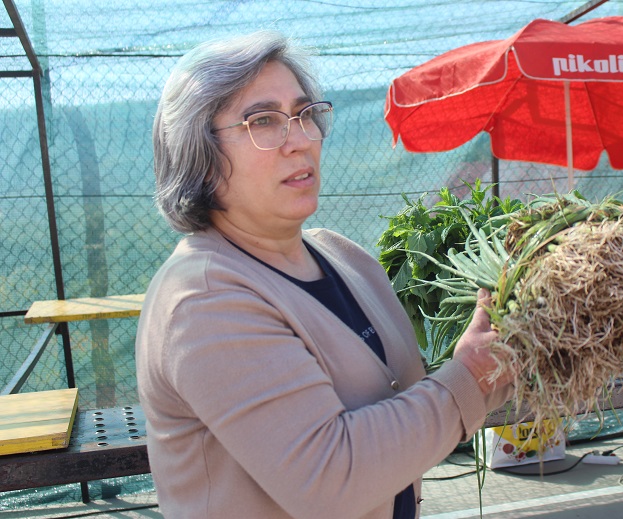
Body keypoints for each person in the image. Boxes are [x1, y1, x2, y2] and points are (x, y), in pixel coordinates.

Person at [135, 29, 513, 519]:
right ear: (201, 159)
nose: (300, 140)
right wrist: (470, 378)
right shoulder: (203, 298)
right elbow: (330, 481)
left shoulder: (343, 257)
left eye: (304, 114)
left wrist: (518, 347)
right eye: (264, 121)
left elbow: (412, 409)